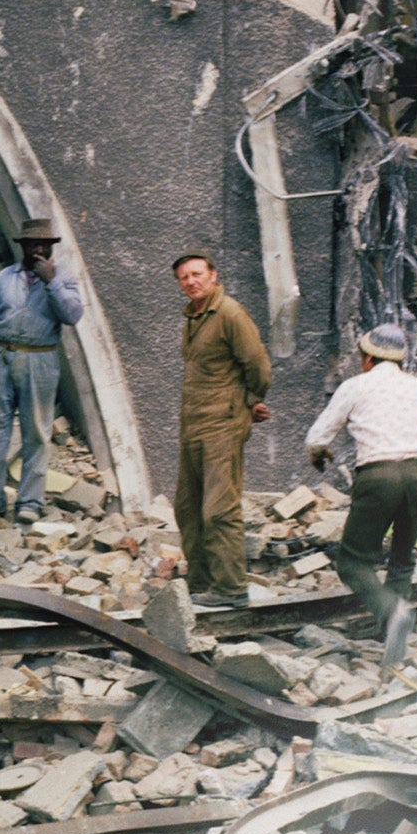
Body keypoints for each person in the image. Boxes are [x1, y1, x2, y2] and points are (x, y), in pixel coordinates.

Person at [306, 321, 417, 671]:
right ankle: (393, 639)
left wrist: (319, 455)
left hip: (379, 476)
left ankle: (391, 611)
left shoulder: (356, 386)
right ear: (399, 361)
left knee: (353, 562)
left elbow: (317, 438)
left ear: (366, 358)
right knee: (402, 559)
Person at [173, 247, 273, 610]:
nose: (191, 282)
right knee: (187, 508)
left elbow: (257, 364)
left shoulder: (229, 313)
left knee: (219, 509)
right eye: (184, 277)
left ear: (213, 275)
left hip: (221, 426)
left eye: (197, 274)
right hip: (194, 426)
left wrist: (249, 401)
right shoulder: (193, 316)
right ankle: (201, 583)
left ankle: (231, 588)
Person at [0, 216, 85, 522]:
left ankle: (30, 502)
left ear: (52, 247)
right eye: (31, 244)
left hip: (40, 359)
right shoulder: (4, 278)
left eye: (43, 244)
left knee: (37, 433)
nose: (37, 249)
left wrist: (51, 281)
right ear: (23, 246)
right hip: (2, 354)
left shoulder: (64, 280)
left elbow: (72, 315)